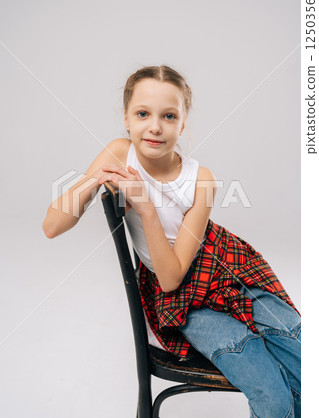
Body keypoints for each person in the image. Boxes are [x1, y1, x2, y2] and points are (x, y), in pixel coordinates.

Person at [42, 65, 301, 418]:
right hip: (186, 297)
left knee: (303, 365)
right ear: (127, 118)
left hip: (232, 271)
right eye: (143, 114)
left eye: (169, 116)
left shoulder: (202, 179)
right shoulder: (120, 152)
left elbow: (189, 254)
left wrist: (146, 206)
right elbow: (53, 226)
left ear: (183, 124)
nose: (155, 126)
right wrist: (93, 180)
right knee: (274, 397)